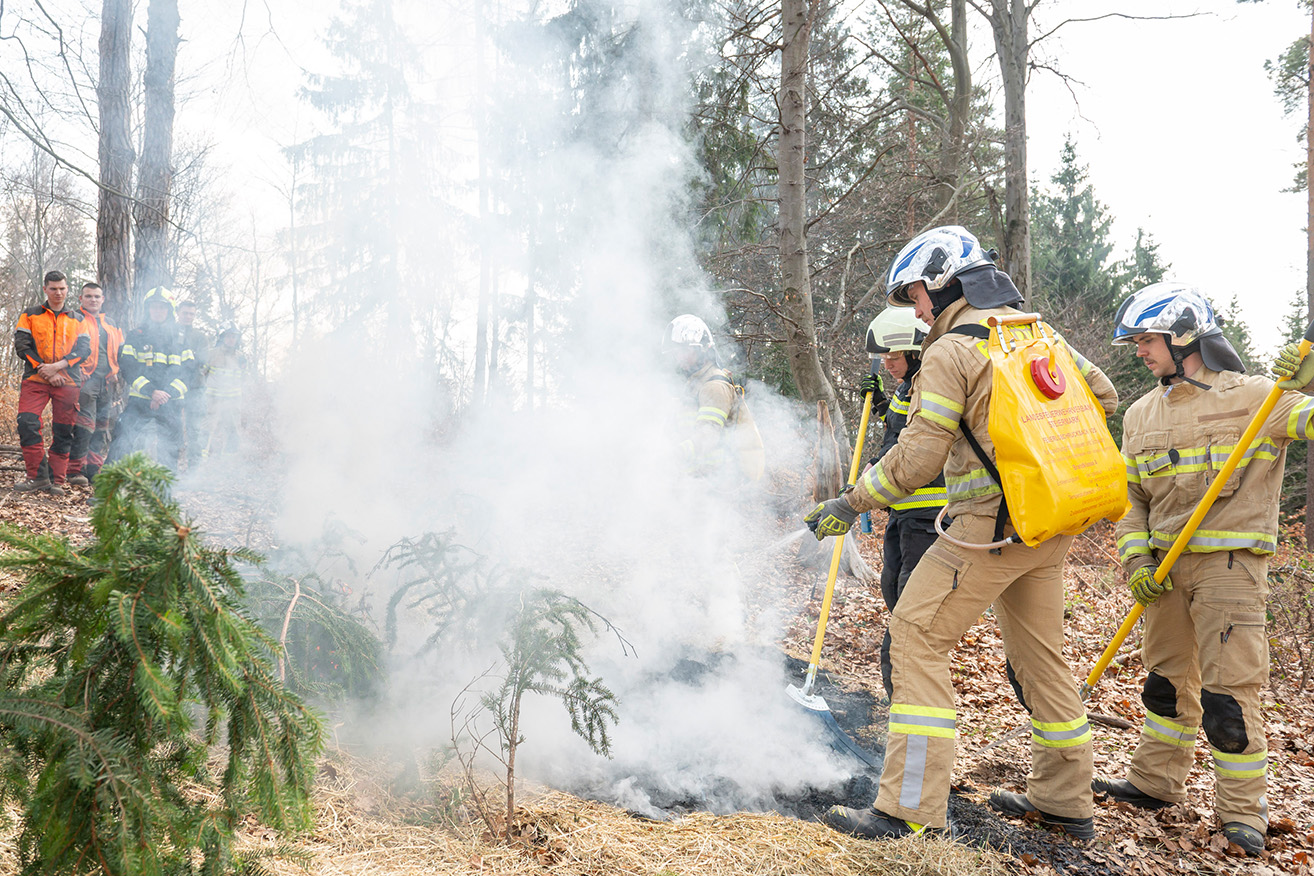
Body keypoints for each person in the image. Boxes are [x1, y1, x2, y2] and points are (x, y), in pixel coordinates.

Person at [806, 226, 1117, 841]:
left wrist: (852, 500)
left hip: (988, 529)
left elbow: (920, 457)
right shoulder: (1035, 334)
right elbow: (1102, 394)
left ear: (944, 282)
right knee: (1042, 661)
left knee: (915, 634)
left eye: (917, 296)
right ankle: (1066, 798)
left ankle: (908, 810)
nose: (917, 312)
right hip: (1049, 524)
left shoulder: (952, 351)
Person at [1091, 282, 1314, 857]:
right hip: (1163, 573)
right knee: (1164, 688)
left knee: (1227, 699)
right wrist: (1137, 559)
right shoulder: (1141, 414)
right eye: (1136, 340)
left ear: (1184, 335)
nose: (1139, 350)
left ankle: (1243, 812)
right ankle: (1155, 783)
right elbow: (1131, 498)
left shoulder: (1263, 397)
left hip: (1230, 571)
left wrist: (1309, 381)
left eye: (1147, 339)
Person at [860, 307, 948, 698]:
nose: (887, 363)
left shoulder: (932, 386)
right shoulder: (904, 388)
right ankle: (903, 700)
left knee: (908, 615)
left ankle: (905, 698)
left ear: (915, 353)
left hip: (929, 518)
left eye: (893, 357)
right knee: (893, 590)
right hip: (902, 512)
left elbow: (914, 449)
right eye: (884, 357)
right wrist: (880, 403)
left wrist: (870, 482)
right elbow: (899, 428)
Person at [12, 270, 90, 496]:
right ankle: (37, 477)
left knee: (64, 430)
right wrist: (44, 369)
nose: (58, 293)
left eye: (62, 288)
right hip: (35, 379)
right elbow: (22, 346)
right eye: (53, 288)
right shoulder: (30, 314)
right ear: (45, 289)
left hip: (68, 381)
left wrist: (58, 367)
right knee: (27, 423)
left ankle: (56, 480)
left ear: (67, 289)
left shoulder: (79, 318)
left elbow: (84, 350)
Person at [662, 314, 764, 482]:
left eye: (683, 351)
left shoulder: (714, 386)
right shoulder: (695, 385)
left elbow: (708, 435)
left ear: (701, 349)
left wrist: (674, 455)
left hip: (720, 484)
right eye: (675, 353)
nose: (678, 358)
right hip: (701, 482)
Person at [107, 287, 195, 471]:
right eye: (154, 307)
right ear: (147, 309)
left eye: (162, 307)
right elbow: (128, 367)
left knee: (170, 448)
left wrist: (166, 395)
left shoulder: (180, 339)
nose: (158, 311)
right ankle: (106, 493)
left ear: (169, 310)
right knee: (122, 440)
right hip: (140, 400)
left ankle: (163, 495)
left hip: (171, 403)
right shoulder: (136, 335)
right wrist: (152, 392)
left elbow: (189, 373)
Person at [67, 282, 125, 485]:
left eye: (97, 296)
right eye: (89, 296)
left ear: (103, 299)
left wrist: (116, 371)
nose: (93, 300)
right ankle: (75, 470)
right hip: (85, 381)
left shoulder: (111, 322)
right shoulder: (74, 318)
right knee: (84, 426)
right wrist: (75, 370)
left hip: (107, 382)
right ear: (80, 299)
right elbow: (64, 348)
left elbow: (120, 350)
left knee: (102, 427)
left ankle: (94, 469)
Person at [202, 325, 246, 458]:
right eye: (228, 336)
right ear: (222, 337)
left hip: (233, 400)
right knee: (207, 427)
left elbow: (243, 377)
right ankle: (201, 456)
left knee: (233, 428)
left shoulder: (241, 357)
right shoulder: (211, 354)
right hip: (212, 398)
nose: (231, 339)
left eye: (234, 336)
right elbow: (202, 374)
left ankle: (229, 459)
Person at [175, 299, 210, 469]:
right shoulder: (170, 332)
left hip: (195, 388)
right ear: (178, 313)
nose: (188, 316)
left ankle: (194, 469)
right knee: (171, 428)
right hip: (172, 387)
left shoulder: (200, 337)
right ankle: (169, 468)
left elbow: (202, 360)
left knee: (195, 429)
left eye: (192, 314)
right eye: (185, 313)